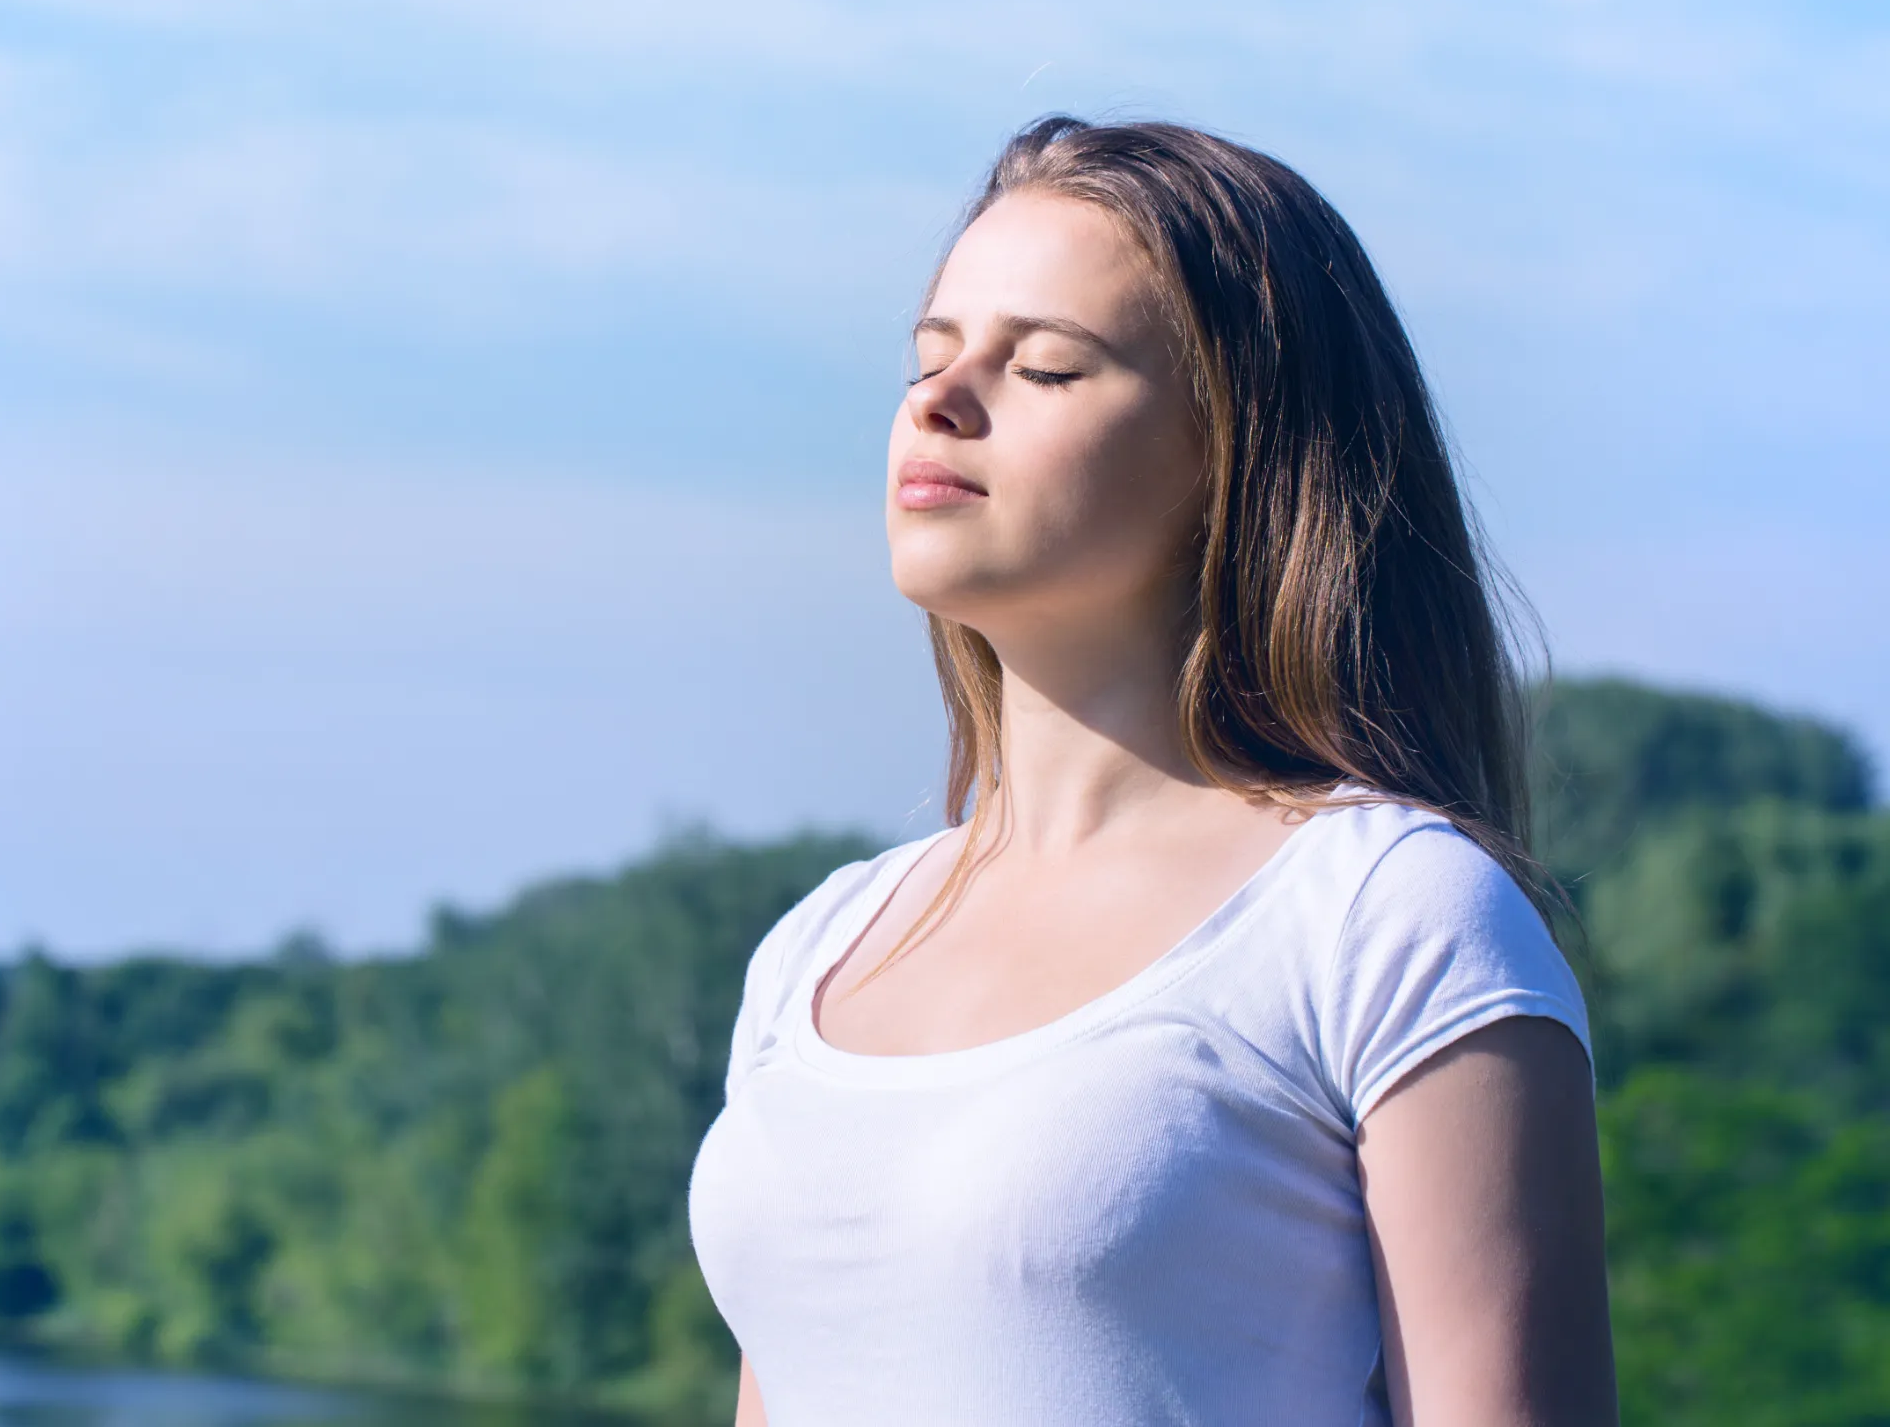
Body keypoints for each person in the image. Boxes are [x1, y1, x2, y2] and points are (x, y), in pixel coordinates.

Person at [687, 117, 1616, 1426]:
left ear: (1232, 454)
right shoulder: (817, 951)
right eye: (930, 356)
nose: (938, 403)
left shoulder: (1385, 919)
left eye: (1048, 367)